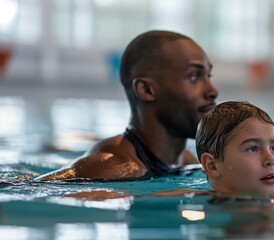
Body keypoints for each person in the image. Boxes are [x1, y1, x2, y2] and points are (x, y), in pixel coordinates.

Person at [69, 101, 274, 198]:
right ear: (211, 166)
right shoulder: (199, 198)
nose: (272, 159)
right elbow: (122, 196)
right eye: (253, 149)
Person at [36, 30, 218, 181]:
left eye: (208, 76)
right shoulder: (112, 167)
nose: (212, 91)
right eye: (194, 77)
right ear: (146, 90)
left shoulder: (187, 161)